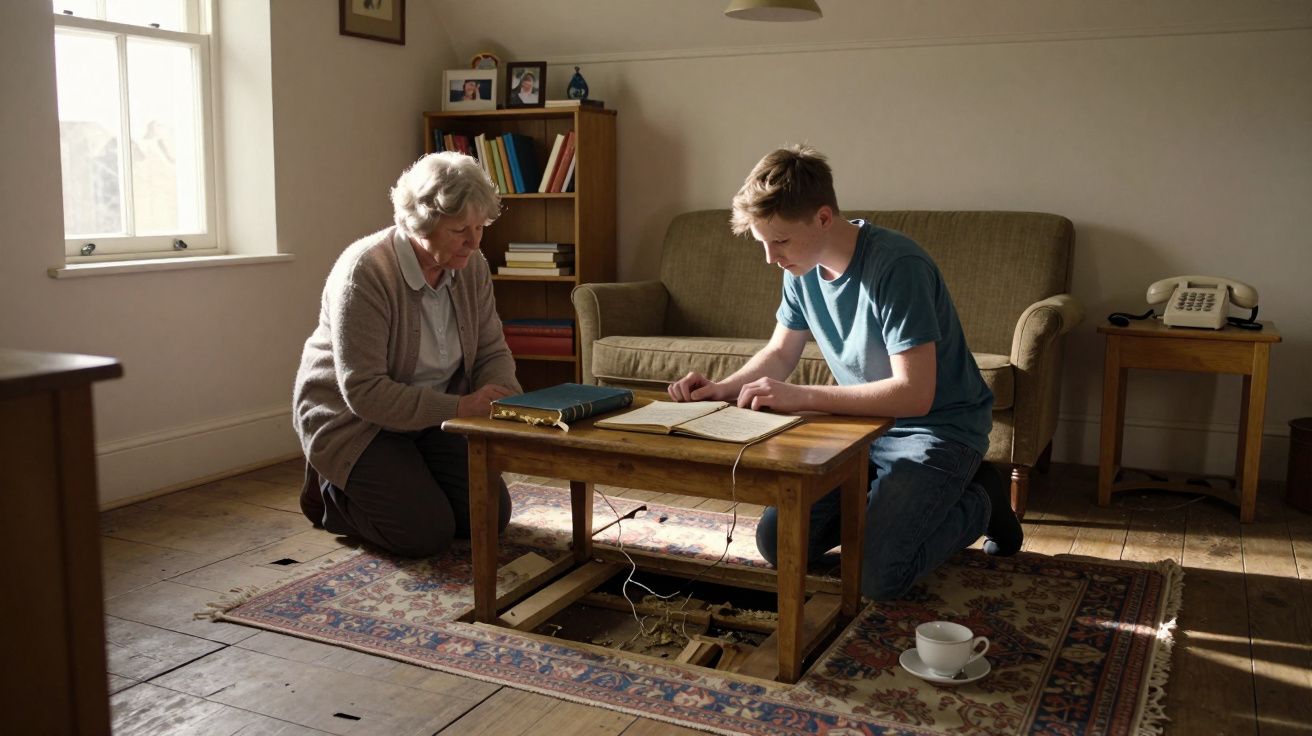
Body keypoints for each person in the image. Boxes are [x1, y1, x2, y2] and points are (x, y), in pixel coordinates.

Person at [667, 145, 1022, 601]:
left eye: (779, 242)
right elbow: (779, 352)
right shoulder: (800, 266)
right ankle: (888, 508)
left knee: (876, 578)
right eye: (762, 243)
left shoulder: (897, 267)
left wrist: (802, 396)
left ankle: (983, 499)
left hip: (937, 429)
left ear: (822, 218)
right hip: (863, 430)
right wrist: (721, 388)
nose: (770, 258)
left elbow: (915, 395)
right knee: (778, 544)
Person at [293, 151, 520, 557]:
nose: (474, 241)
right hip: (356, 423)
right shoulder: (365, 272)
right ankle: (329, 493)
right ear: (420, 224)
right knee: (423, 534)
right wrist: (465, 404)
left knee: (487, 517)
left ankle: (408, 473)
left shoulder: (472, 265)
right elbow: (364, 393)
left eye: (479, 226)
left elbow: (491, 347)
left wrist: (501, 391)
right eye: (459, 230)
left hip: (434, 418)